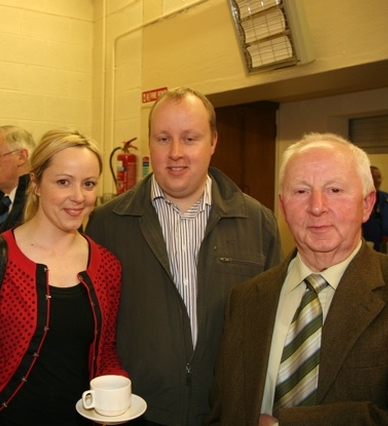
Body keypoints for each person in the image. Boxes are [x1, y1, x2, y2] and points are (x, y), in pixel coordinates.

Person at [85, 86, 283, 426]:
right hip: (136, 413)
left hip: (228, 415)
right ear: (150, 144)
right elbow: (92, 328)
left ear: (213, 143)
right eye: (163, 139)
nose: (176, 153)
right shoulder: (107, 223)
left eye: (190, 139)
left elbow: (275, 329)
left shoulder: (258, 222)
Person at [207, 133, 388, 425]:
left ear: (367, 204)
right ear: (283, 205)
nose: (317, 207)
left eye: (335, 190)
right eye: (301, 191)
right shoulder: (245, 299)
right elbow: (222, 413)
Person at [0, 129, 127, 425]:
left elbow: (105, 351)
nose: (78, 197)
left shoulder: (107, 266)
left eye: (89, 184)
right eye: (63, 182)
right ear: (36, 184)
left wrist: (118, 390)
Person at [362, 165, 388, 252]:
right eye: (373, 177)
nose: (377, 180)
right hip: (366, 246)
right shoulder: (360, 199)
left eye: (379, 177)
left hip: (387, 245)